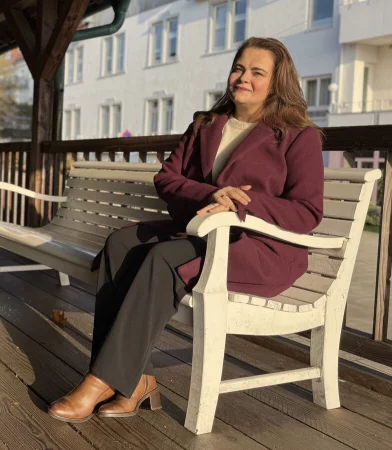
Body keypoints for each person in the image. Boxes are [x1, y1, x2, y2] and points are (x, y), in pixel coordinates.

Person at [48, 37, 325, 422]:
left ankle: (101, 381)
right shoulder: (205, 125)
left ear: (277, 82)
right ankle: (133, 381)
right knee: (121, 243)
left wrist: (242, 202)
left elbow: (308, 211)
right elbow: (167, 178)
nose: (243, 78)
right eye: (238, 68)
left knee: (163, 258)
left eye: (257, 72)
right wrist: (211, 193)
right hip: (201, 233)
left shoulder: (297, 135)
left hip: (258, 249)